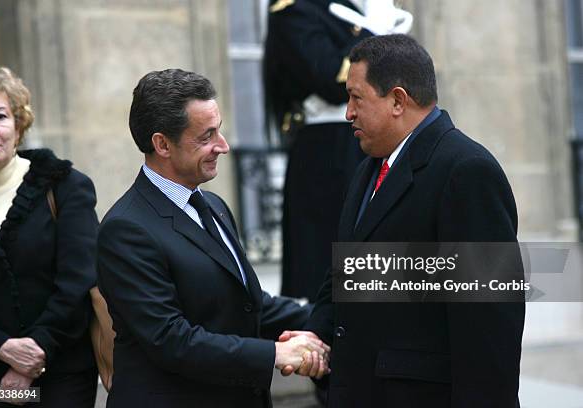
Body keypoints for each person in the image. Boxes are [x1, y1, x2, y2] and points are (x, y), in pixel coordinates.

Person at [282, 34, 525, 407]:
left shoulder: (466, 171)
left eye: (356, 98)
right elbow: (348, 274)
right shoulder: (367, 170)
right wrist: (315, 335)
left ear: (398, 100)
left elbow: (489, 329)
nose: (348, 112)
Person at [96, 68, 330, 408]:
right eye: (206, 136)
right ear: (162, 144)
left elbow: (250, 304)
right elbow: (171, 340)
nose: (223, 146)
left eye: (219, 131)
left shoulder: (214, 205)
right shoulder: (126, 229)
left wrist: (329, 322)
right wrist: (276, 353)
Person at [264, 0, 411, 302]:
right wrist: (375, 36)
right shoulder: (296, 8)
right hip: (329, 150)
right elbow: (330, 77)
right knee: (324, 263)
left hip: (378, 140)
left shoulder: (359, 8)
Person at [0, 66, 98, 406]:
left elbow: (79, 280)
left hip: (61, 374)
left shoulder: (66, 187)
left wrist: (35, 353)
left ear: (18, 124)